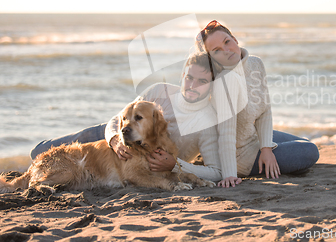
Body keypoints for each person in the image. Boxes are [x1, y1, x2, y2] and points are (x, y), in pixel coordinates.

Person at [30, 52, 222, 182]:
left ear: (213, 85)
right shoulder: (159, 91)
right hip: (112, 136)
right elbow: (118, 119)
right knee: (39, 152)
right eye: (189, 78)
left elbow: (216, 172)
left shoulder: (207, 123)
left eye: (202, 81)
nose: (192, 86)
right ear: (182, 75)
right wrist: (114, 140)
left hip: (140, 158)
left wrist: (175, 165)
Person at [196, 20, 319, 188]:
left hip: (252, 136)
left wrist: (266, 149)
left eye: (227, 42)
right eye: (217, 51)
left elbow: (264, 110)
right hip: (240, 155)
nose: (226, 51)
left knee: (304, 143)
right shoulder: (224, 83)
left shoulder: (255, 64)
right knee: (309, 152)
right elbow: (226, 136)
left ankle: (275, 156)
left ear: (235, 39)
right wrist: (230, 175)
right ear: (212, 58)